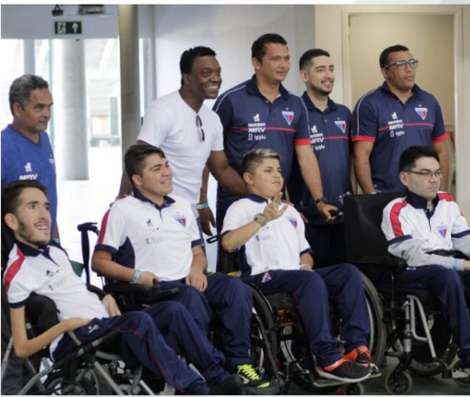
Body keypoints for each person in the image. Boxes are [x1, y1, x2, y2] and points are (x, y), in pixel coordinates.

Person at [2, 180, 246, 395]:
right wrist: (65, 325)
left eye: (46, 206)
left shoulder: (54, 251)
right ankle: (196, 389)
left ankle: (218, 377)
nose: (45, 214)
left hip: (105, 322)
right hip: (77, 336)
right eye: (32, 207)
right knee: (139, 321)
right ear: (11, 220)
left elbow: (74, 289)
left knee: (174, 311)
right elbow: (22, 348)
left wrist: (104, 294)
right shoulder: (17, 273)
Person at [92, 143, 268, 388]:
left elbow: (197, 252)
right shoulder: (121, 211)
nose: (167, 172)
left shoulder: (182, 205)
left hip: (189, 279)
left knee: (234, 287)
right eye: (157, 168)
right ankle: (209, 372)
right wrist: (135, 275)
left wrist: (197, 269)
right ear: (138, 179)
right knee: (189, 298)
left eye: (166, 165)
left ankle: (240, 362)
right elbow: (99, 262)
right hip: (152, 288)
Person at [220, 148, 374, 383]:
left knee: (347, 272)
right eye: (268, 170)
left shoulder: (290, 211)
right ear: (249, 178)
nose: (277, 176)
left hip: (297, 276)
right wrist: (262, 219)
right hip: (262, 278)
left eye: (279, 171)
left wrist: (305, 266)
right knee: (308, 279)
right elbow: (229, 244)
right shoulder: (240, 207)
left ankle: (357, 346)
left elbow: (305, 254)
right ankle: (326, 356)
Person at [381, 145, 470, 375]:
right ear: (405, 178)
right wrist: (468, 264)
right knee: (446, 274)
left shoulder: (447, 203)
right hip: (412, 272)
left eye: (437, 173)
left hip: (448, 269)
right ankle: (469, 355)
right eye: (425, 173)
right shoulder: (395, 210)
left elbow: (464, 239)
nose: (434, 180)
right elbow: (417, 256)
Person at [213, 33, 337, 242]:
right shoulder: (231, 100)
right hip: (236, 200)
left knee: (279, 262)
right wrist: (201, 203)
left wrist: (320, 200)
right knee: (236, 266)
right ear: (256, 63)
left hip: (277, 202)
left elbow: (305, 154)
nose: (283, 65)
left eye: (287, 58)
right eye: (275, 59)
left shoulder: (296, 104)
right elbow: (209, 155)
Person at [118, 46, 245, 236]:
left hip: (188, 213)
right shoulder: (164, 109)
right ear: (187, 77)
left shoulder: (212, 119)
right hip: (158, 214)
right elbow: (137, 160)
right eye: (206, 73)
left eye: (218, 72)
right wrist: (122, 202)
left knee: (198, 265)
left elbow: (221, 169)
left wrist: (260, 195)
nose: (216, 78)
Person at [352, 45, 450, 194]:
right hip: (386, 197)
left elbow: (442, 152)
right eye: (401, 65)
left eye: (412, 63)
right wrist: (371, 197)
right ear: (385, 72)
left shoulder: (430, 102)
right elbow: (361, 156)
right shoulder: (369, 104)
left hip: (425, 195)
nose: (409, 69)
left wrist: (441, 193)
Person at [290, 48, 352, 265]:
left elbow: (353, 162)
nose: (329, 75)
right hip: (308, 215)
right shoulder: (295, 111)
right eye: (320, 70)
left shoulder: (344, 113)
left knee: (343, 274)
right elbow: (286, 164)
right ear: (305, 75)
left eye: (331, 69)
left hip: (343, 214)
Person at [2, 75, 59, 240]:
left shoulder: (45, 140)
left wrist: (55, 241)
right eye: (39, 108)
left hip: (46, 245)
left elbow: (50, 197)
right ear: (18, 109)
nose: (47, 114)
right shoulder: (4, 146)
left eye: (49, 107)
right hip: (13, 252)